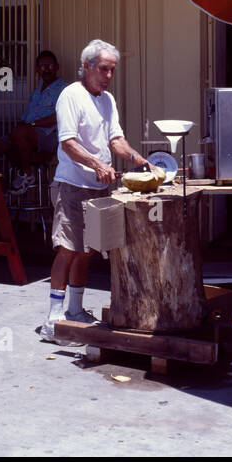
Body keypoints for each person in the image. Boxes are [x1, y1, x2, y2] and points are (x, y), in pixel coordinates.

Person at [38, 39, 149, 342]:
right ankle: (53, 319)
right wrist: (97, 164)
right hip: (72, 185)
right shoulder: (70, 96)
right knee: (68, 248)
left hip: (98, 188)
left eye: (112, 70)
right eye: (103, 69)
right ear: (86, 66)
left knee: (87, 250)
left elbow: (116, 139)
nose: (108, 76)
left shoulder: (108, 99)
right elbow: (68, 143)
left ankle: (75, 310)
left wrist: (138, 159)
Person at [1, 50, 67, 188]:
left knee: (20, 134)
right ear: (37, 69)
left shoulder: (63, 89)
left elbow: (59, 116)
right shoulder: (37, 91)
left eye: (50, 66)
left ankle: (26, 173)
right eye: (43, 66)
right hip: (28, 135)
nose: (46, 69)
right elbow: (26, 118)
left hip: (49, 135)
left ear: (57, 67)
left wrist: (31, 125)